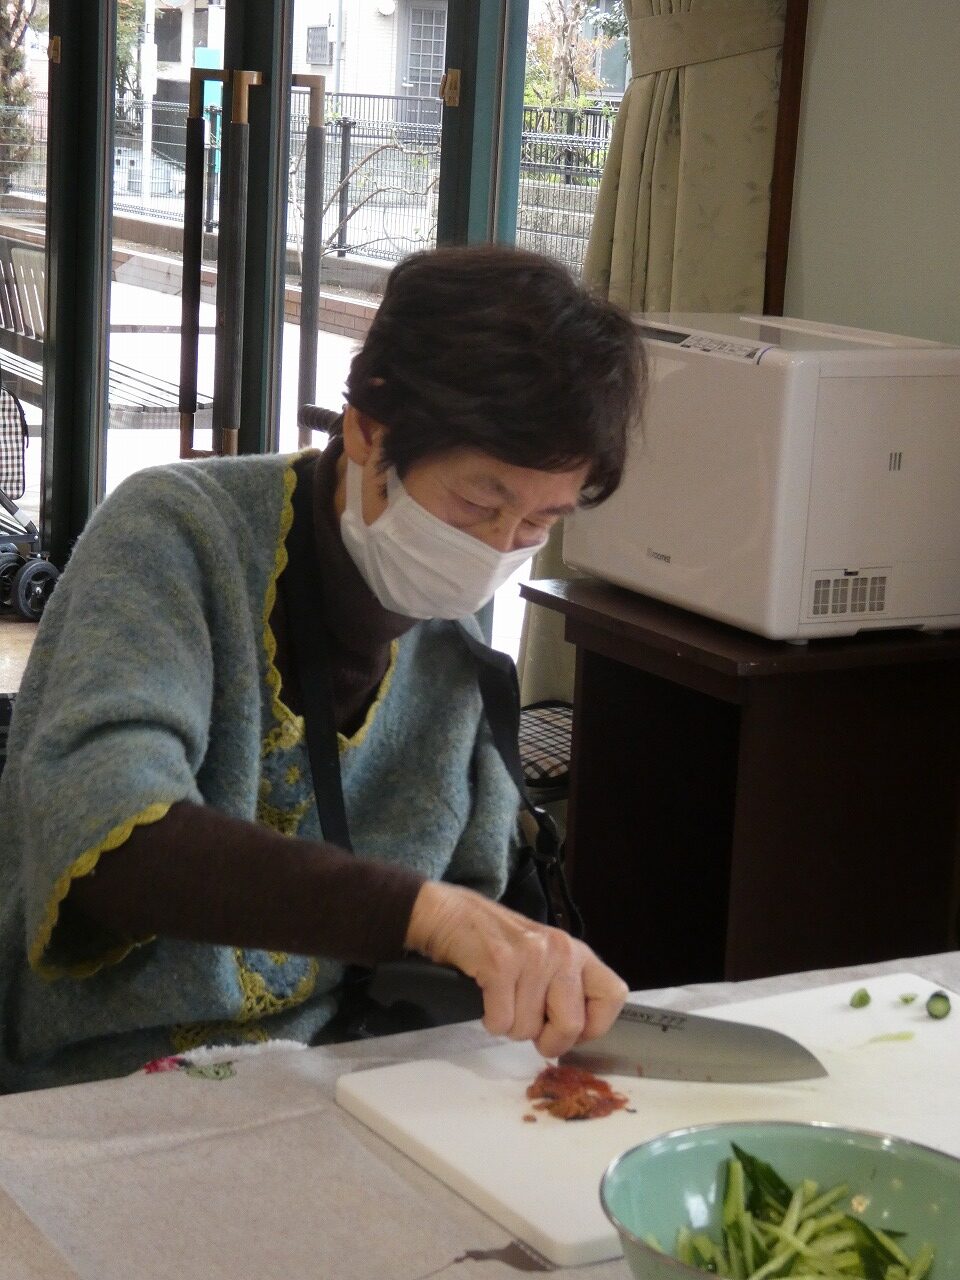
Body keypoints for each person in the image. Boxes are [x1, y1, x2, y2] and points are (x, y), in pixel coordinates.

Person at [0, 244, 647, 1094]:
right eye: (479, 502)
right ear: (367, 430)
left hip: (341, 1074)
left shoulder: (452, 658)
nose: (497, 548)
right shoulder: (175, 536)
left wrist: (530, 965)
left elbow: (475, 919)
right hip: (107, 1082)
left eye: (538, 524)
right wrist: (423, 915)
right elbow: (113, 839)